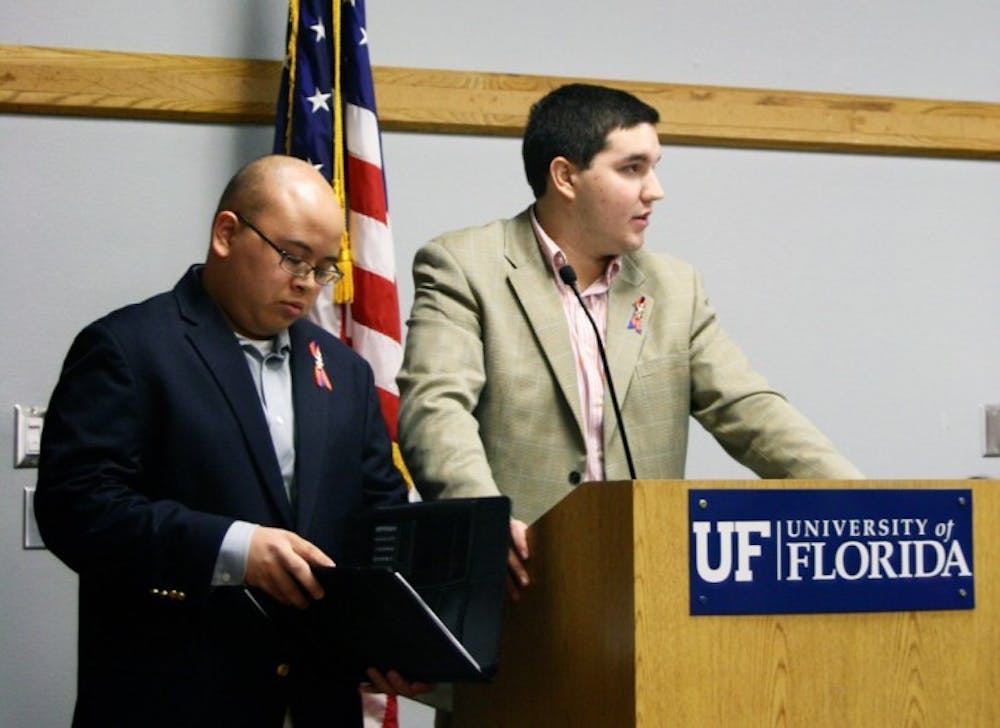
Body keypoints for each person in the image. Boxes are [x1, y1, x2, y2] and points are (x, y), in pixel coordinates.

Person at [397, 83, 863, 595]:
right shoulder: (464, 266)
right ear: (566, 176)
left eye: (654, 166)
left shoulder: (673, 287)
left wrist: (867, 503)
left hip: (645, 587)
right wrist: (482, 518)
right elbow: (436, 410)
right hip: (516, 583)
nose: (655, 190)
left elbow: (749, 410)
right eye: (632, 168)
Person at [35, 155, 427, 728]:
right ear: (226, 233)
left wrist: (395, 635)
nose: (306, 284)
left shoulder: (343, 370)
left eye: (323, 269)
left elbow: (380, 518)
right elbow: (77, 510)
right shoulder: (129, 348)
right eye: (292, 257)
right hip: (176, 698)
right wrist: (234, 549)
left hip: (316, 701)